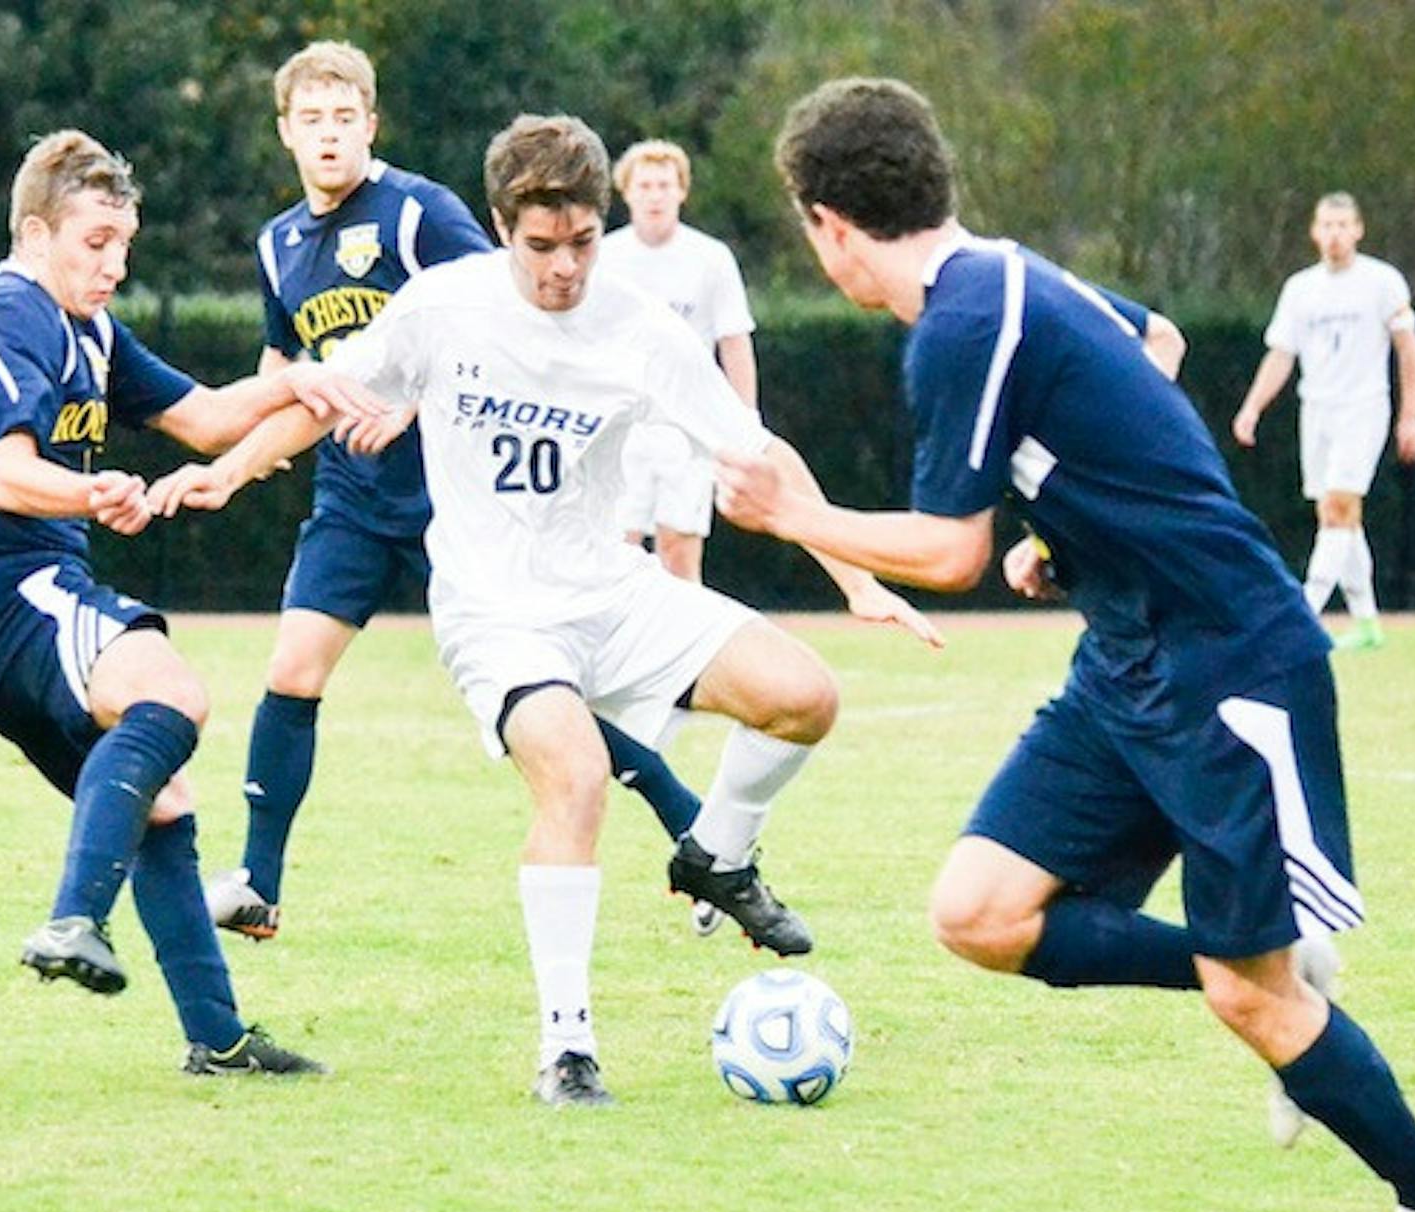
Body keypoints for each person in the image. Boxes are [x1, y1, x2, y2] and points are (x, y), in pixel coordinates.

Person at [723, 77, 1415, 1212]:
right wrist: (1069, 526)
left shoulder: (960, 324)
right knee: (977, 911)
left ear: (826, 224)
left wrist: (800, 513)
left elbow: (946, 551)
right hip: (1124, 658)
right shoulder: (1004, 272)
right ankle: (1254, 957)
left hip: (1227, 659)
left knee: (1250, 1004)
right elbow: (1153, 344)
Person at [150, 112, 942, 1107]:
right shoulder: (441, 306)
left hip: (612, 593)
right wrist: (226, 470)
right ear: (498, 225)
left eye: (579, 243)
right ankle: (566, 1048)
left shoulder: (638, 328)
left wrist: (856, 575)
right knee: (572, 777)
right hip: (497, 614)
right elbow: (322, 398)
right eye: (539, 246)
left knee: (804, 696)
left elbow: (758, 456)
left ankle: (715, 855)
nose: (562, 267)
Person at [205, 42, 707, 942]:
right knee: (291, 670)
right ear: (285, 132)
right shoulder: (278, 244)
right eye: (311, 120)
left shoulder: (418, 212)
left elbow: (506, 313)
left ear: (371, 123)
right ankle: (259, 884)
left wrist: (408, 403)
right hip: (353, 500)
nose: (329, 135)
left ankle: (700, 842)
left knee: (556, 702)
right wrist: (242, 457)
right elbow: (283, 368)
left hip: (464, 500)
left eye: (344, 117)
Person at [0, 129, 358, 1076]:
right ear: (35, 233)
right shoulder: (4, 313)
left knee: (163, 798)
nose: (113, 265)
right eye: (95, 242)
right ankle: (74, 920)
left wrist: (297, 382)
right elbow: (11, 478)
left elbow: (203, 418)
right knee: (173, 695)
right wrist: (94, 493)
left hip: (0, 601)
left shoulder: (90, 329)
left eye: (124, 246)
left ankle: (218, 1040)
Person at [1233, 192, 1415, 651]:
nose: (1335, 235)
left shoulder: (1382, 282)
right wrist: (1253, 407)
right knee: (1336, 515)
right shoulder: (1301, 288)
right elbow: (1282, 354)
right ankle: (1366, 624)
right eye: (1327, 226)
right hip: (1316, 410)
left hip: (1364, 407)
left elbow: (1408, 348)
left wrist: (1410, 415)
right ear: (1314, 232)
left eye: (1344, 225)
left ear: (1358, 229)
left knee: (1339, 506)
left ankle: (1301, 616)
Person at [601, 139, 758, 583]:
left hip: (688, 427)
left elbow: (734, 342)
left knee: (679, 551)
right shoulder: (606, 258)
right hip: (621, 425)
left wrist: (745, 424)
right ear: (627, 192)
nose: (655, 195)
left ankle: (688, 649)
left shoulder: (710, 259)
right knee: (616, 549)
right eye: (645, 185)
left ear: (681, 192)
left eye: (664, 185)